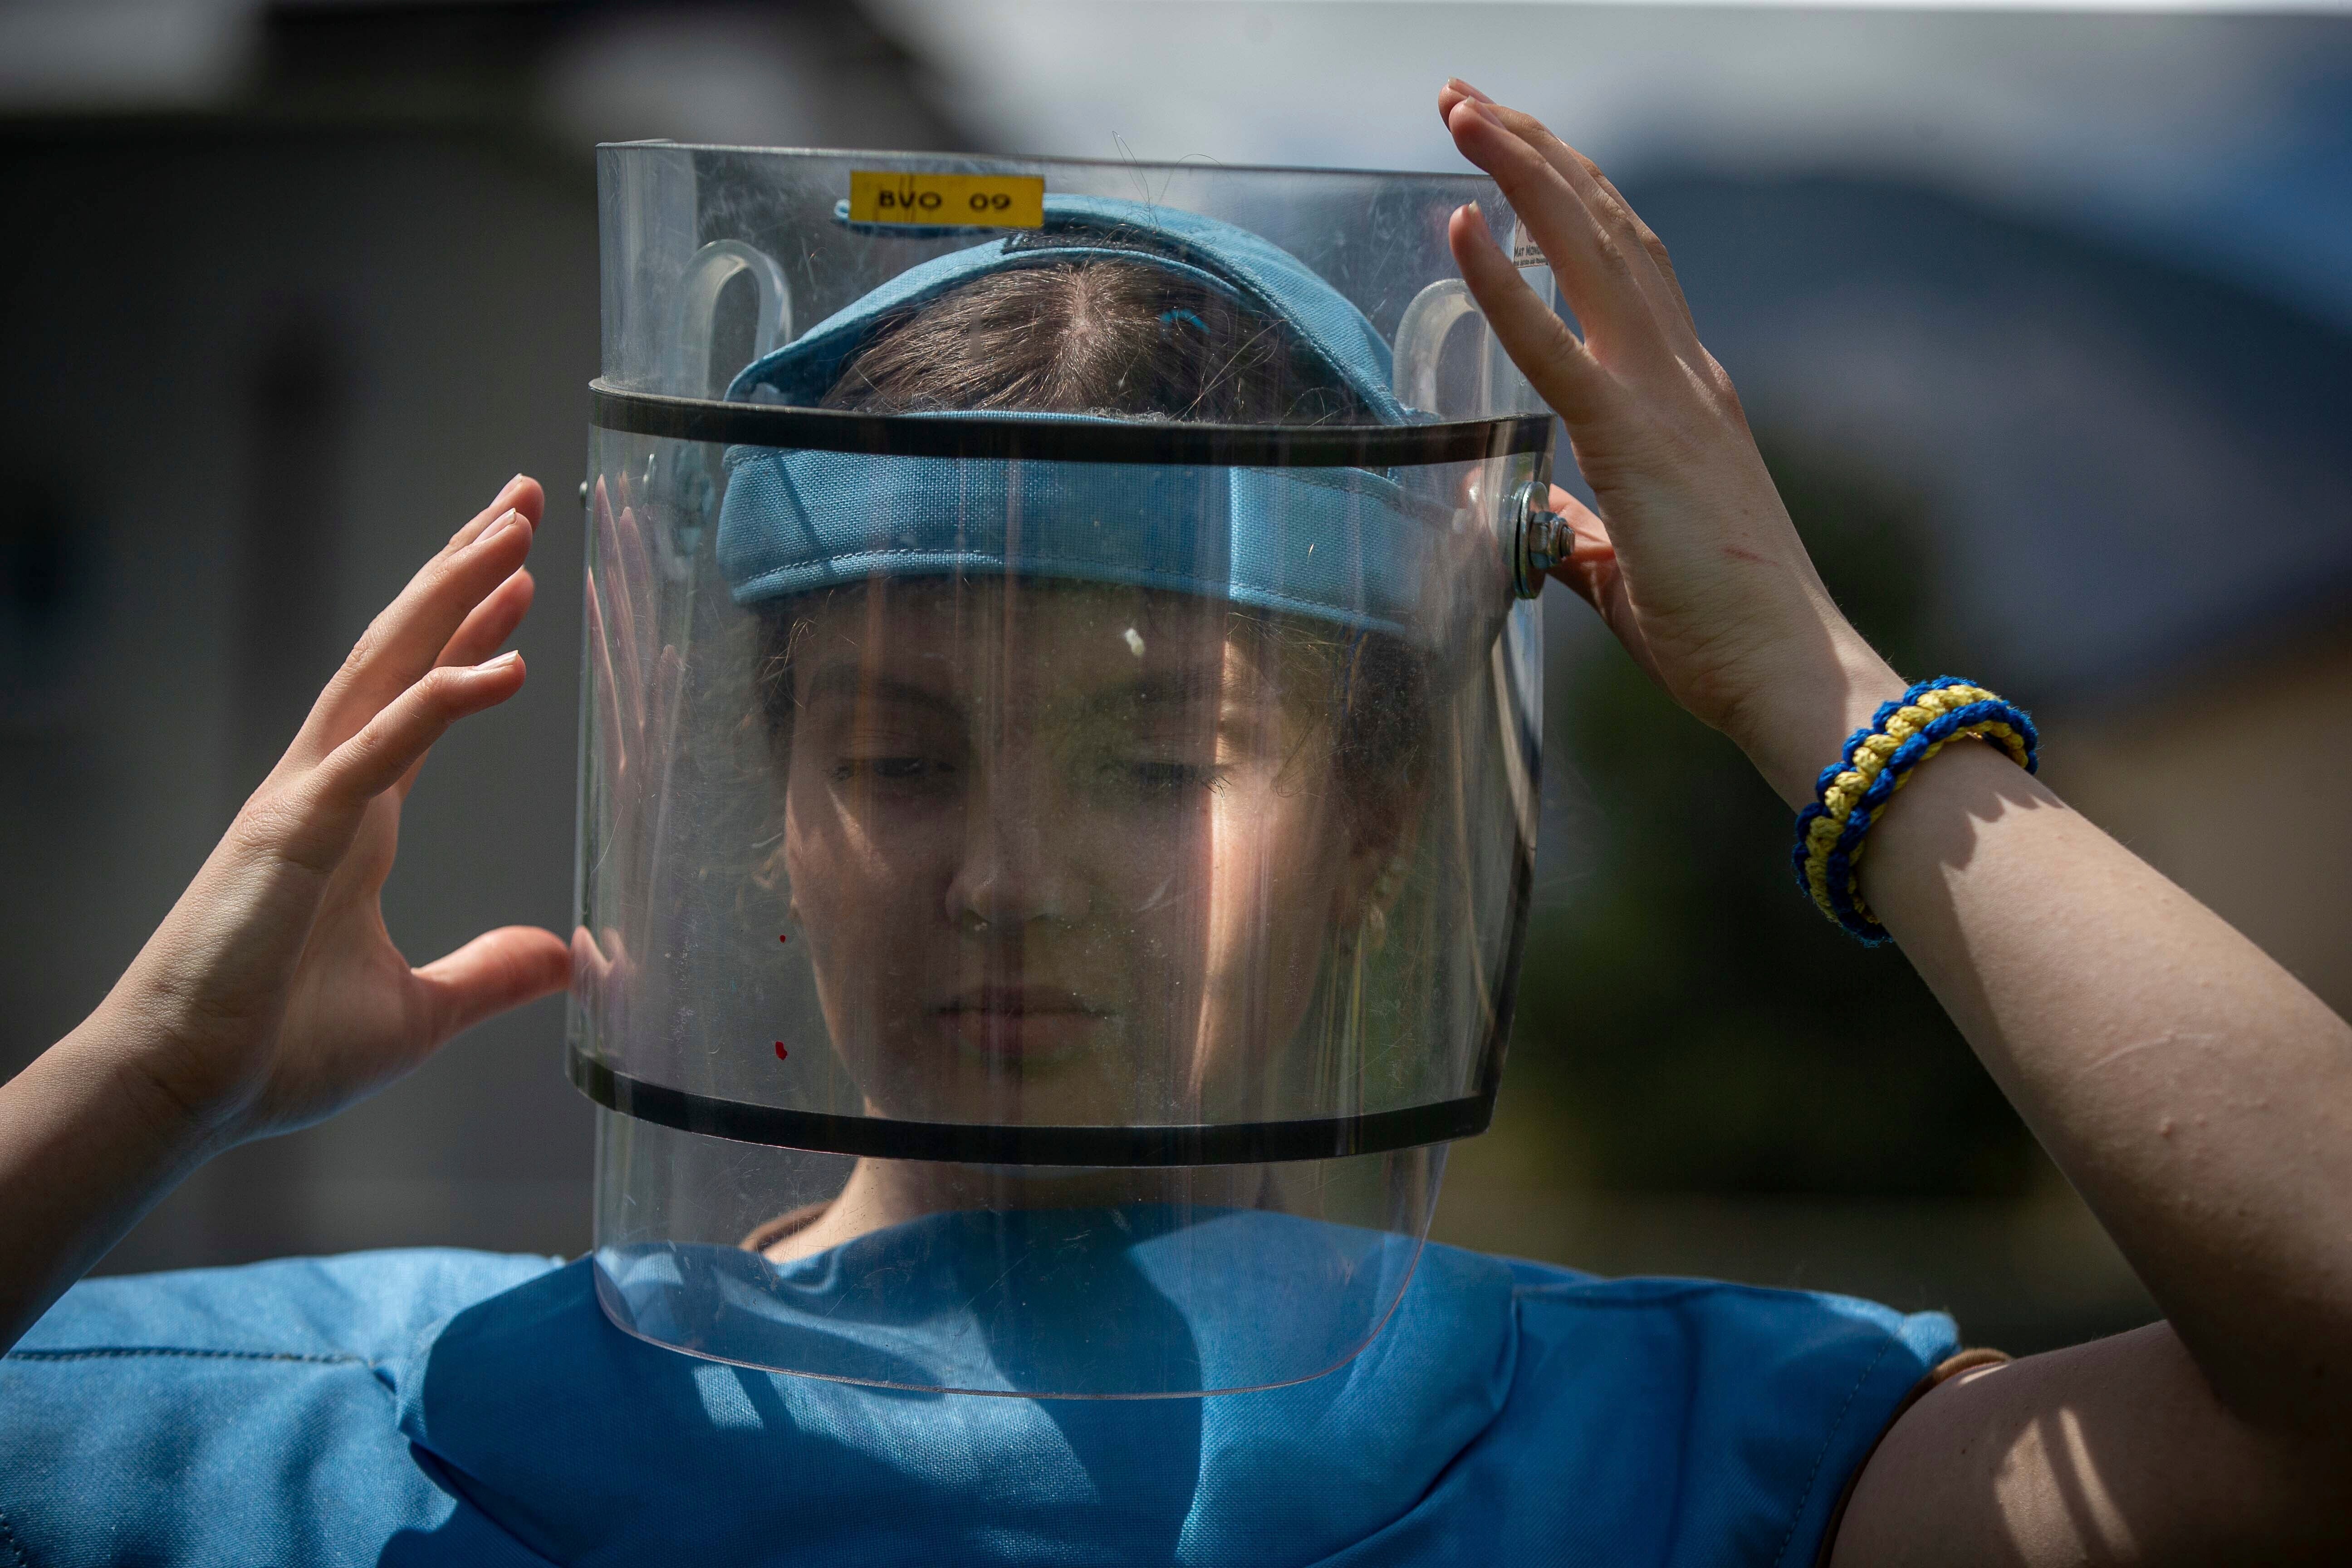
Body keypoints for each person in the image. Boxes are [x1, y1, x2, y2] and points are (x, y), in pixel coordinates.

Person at [2, 83, 2347, 1564]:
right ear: (773, 809)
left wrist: (1838, 701)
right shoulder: (354, 1429)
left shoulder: (1657, 1451)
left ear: (1365, 826)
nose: (1004, 870)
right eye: (900, 754)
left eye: (1154, 759)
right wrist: (132, 1085)